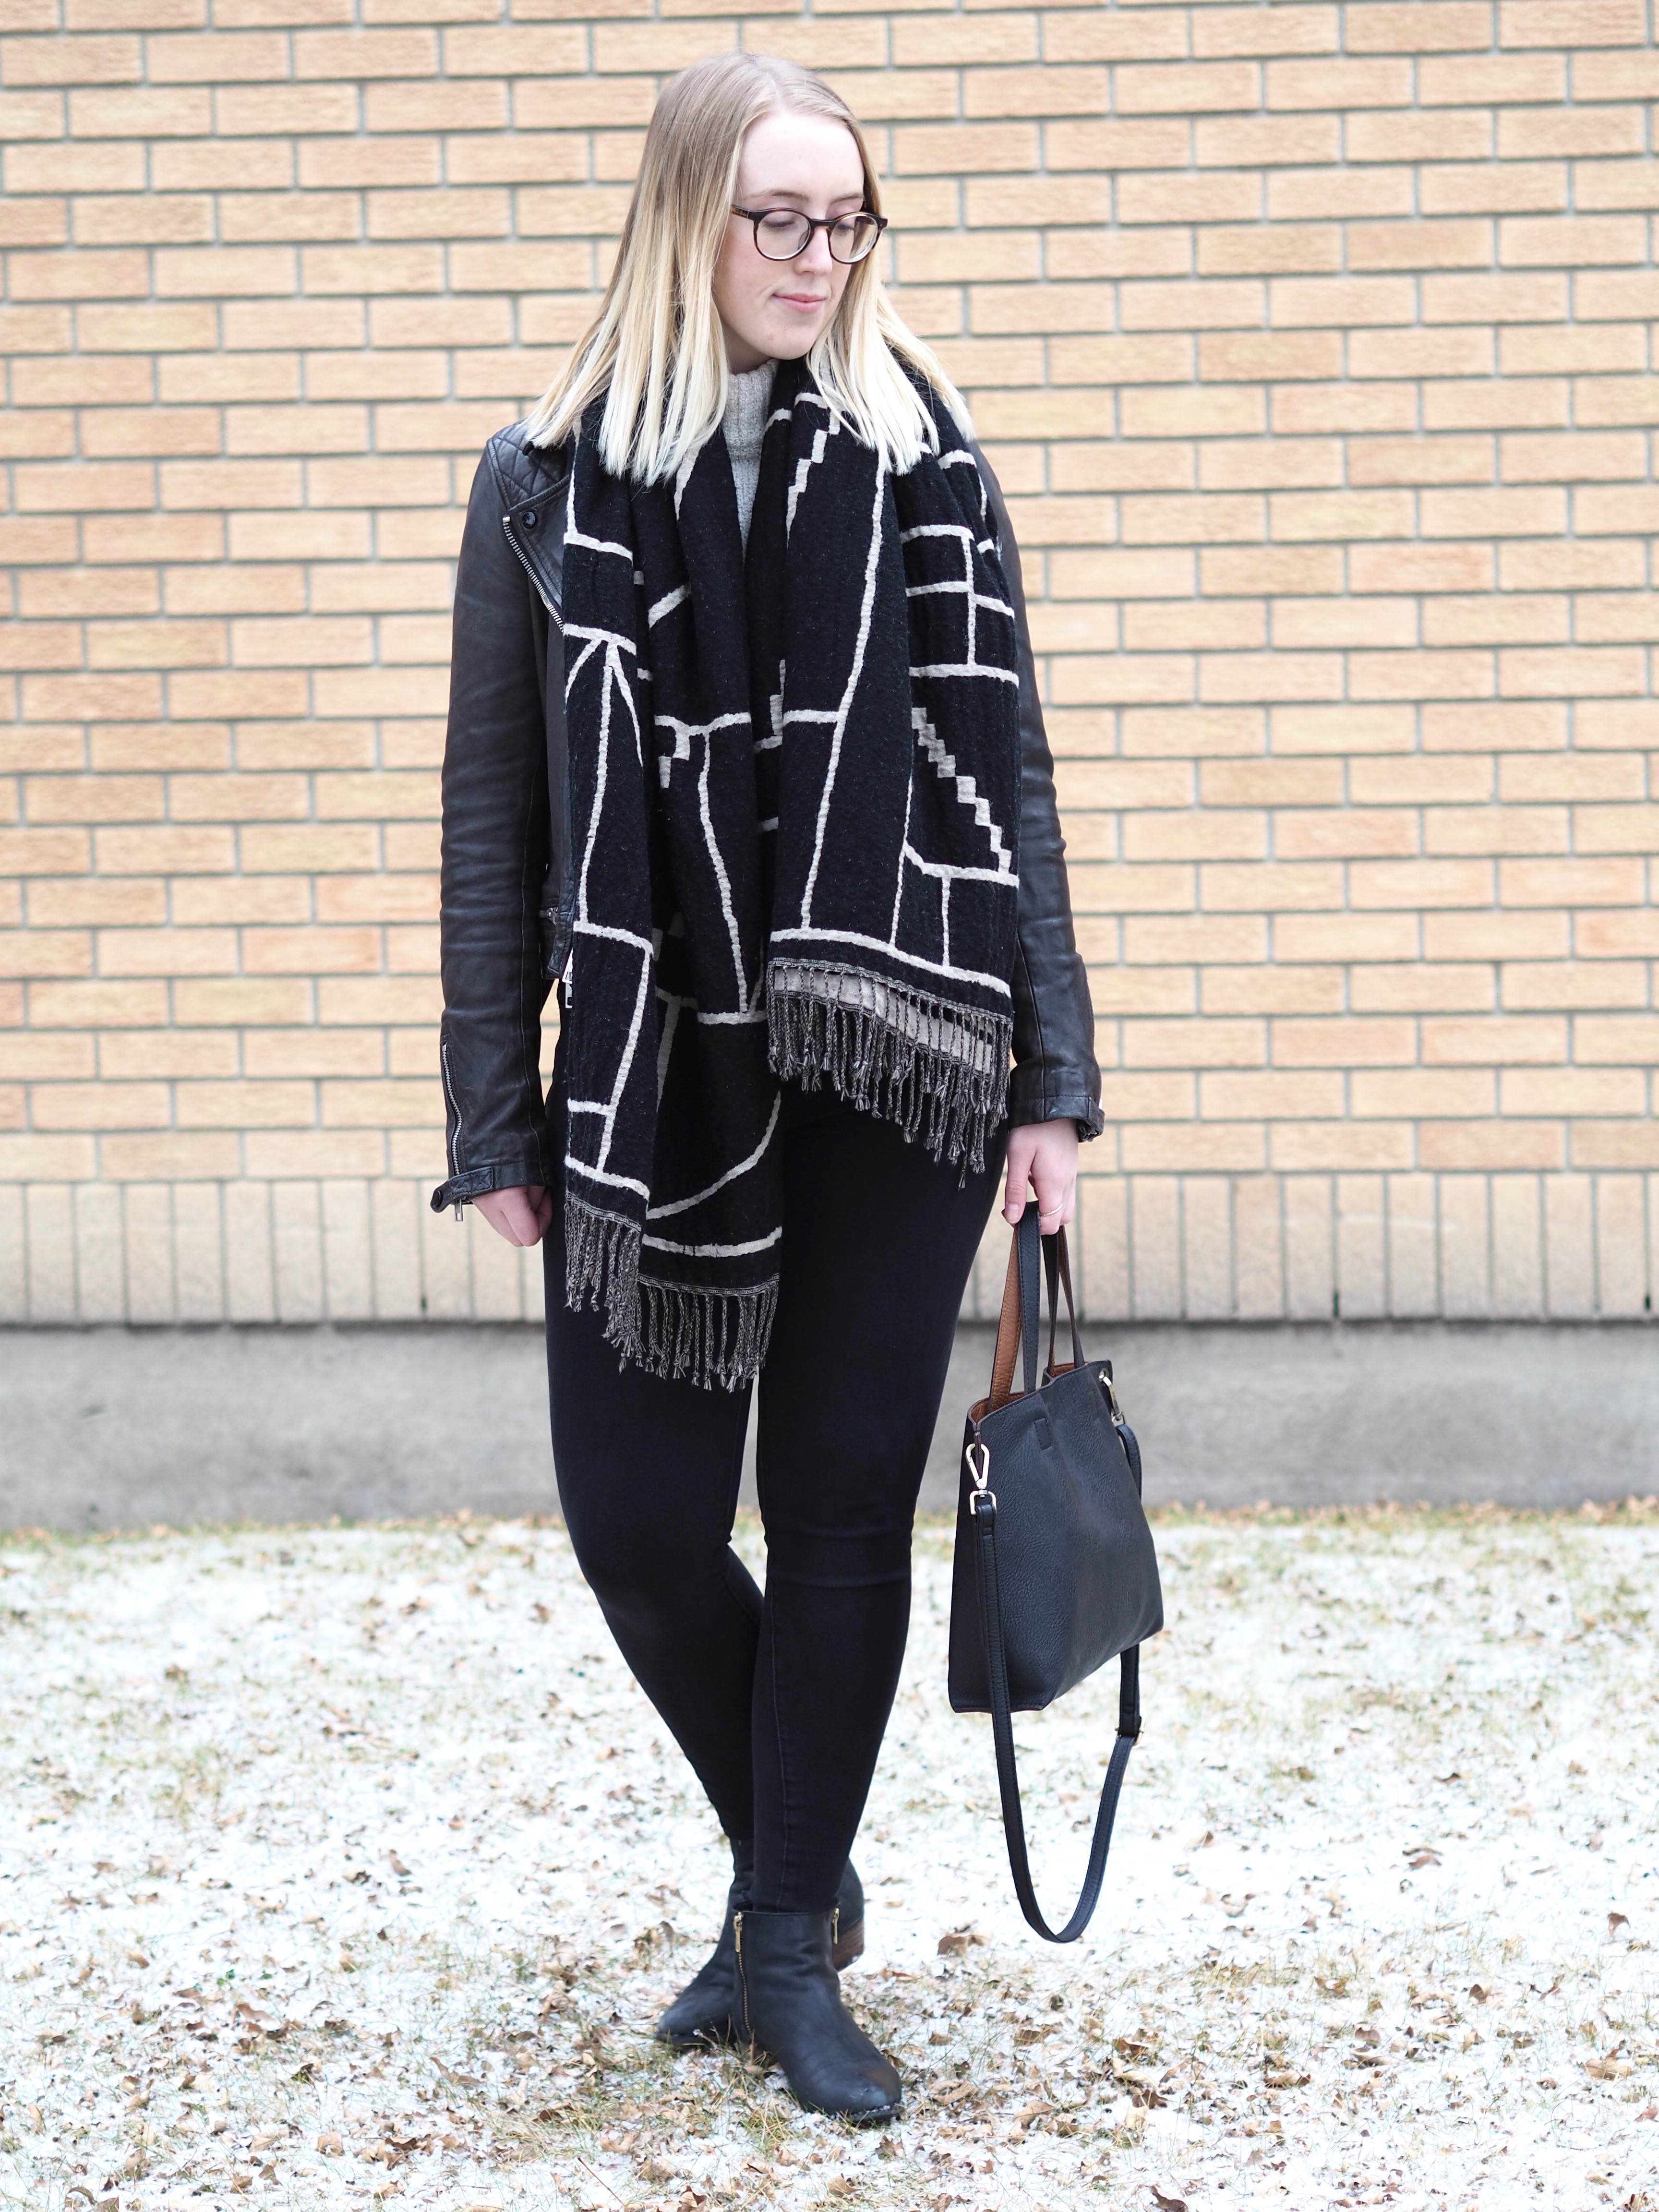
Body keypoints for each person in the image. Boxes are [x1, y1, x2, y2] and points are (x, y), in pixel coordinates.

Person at [433, 52, 1102, 2124]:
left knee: (831, 1518)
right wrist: (492, 1115)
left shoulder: (926, 463)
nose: (818, 260)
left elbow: (1011, 788)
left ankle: (786, 1936)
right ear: (685, 217)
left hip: (898, 1059)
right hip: (651, 1070)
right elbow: (491, 821)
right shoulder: (542, 482)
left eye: (847, 222)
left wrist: (1052, 1082)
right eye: (780, 219)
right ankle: (801, 1877)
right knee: (637, 1526)